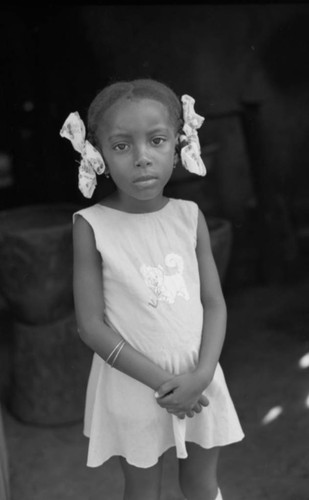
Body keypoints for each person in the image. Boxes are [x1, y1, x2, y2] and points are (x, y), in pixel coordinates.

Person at [60, 78, 244, 500]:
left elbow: (213, 304)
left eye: (157, 140)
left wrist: (200, 377)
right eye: (122, 146)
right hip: (134, 385)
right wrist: (166, 384)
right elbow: (91, 327)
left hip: (200, 377)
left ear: (178, 145)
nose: (142, 158)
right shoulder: (91, 226)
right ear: (98, 154)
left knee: (202, 484)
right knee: (143, 491)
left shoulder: (188, 215)